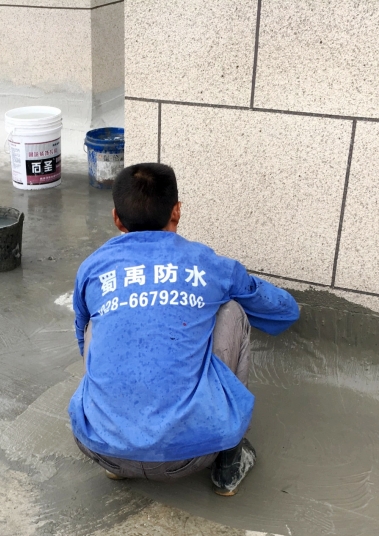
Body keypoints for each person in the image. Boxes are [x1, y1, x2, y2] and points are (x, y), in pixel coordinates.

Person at [69, 163, 300, 496]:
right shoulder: (206, 264)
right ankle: (229, 463)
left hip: (99, 447)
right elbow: (284, 311)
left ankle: (119, 444)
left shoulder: (93, 267)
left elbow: (83, 341)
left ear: (117, 218)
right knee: (233, 310)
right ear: (176, 211)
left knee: (94, 320)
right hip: (191, 456)